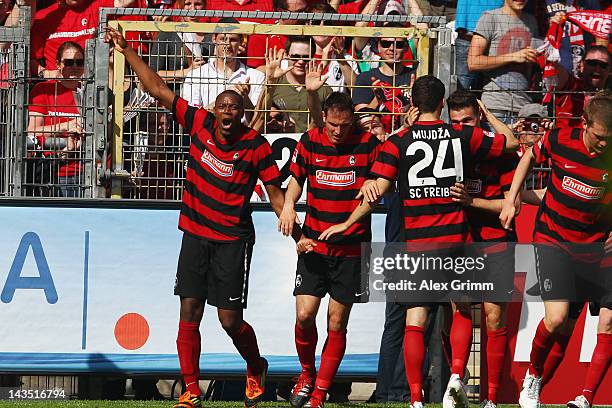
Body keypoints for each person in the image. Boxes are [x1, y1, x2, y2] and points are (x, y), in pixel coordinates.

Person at [104, 26, 302, 408]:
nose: (228, 113)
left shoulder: (255, 146)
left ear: (243, 115)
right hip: (195, 234)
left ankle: (255, 365)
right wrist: (128, 51)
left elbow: (278, 199)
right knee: (189, 311)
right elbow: (160, 90)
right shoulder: (198, 123)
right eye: (223, 107)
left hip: (232, 240)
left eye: (234, 109)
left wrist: (300, 237)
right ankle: (191, 390)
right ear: (214, 110)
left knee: (229, 321)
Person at [320, 75, 519, 408]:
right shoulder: (461, 134)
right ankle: (456, 374)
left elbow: (376, 190)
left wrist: (347, 221)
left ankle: (414, 398)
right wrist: (487, 116)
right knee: (461, 309)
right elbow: (510, 143)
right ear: (442, 104)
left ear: (413, 104)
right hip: (454, 237)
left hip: (416, 242)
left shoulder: (398, 144)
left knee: (415, 319)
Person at [499, 92, 612, 408]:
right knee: (557, 317)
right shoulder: (559, 139)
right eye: (599, 137)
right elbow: (528, 158)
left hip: (593, 249)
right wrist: (512, 198)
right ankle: (532, 378)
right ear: (584, 123)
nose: (603, 144)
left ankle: (576, 396)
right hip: (552, 240)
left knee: (569, 326)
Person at [277, 86, 381, 407]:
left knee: (337, 323)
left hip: (351, 250)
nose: (338, 131)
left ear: (353, 121)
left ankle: (320, 393)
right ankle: (307, 375)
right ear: (324, 118)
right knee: (305, 315)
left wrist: (372, 182)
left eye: (344, 125)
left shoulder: (368, 145)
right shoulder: (309, 141)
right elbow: (296, 181)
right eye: (333, 125)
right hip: (313, 245)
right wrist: (289, 205)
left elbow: (383, 180)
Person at [447, 90, 520, 408]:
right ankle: (455, 383)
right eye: (455, 122)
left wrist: (470, 201)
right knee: (461, 309)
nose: (461, 127)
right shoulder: (444, 150)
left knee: (493, 318)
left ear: (479, 117)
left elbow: (511, 204)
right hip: (459, 241)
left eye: (468, 120)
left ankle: (491, 398)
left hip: (495, 240)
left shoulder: (500, 151)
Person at [27, 41, 86, 197]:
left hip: (86, 172)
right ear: (58, 64)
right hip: (52, 171)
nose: (74, 66)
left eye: (79, 62)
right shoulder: (44, 89)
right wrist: (66, 126)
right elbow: (32, 132)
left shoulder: (90, 92)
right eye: (68, 62)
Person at [468, 0, 541, 123]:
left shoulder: (531, 21)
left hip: (525, 107)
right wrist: (513, 57)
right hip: (496, 107)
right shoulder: (490, 18)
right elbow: (473, 62)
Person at [182, 18, 265, 121]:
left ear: (241, 42)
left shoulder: (256, 77)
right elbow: (191, 118)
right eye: (223, 39)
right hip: (207, 134)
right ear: (214, 39)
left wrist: (245, 99)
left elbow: (257, 121)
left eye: (233, 40)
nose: (227, 45)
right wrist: (227, 96)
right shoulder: (196, 75)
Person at [266, 36, 332, 133]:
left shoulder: (324, 89)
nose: (300, 62)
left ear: (312, 58)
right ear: (286, 55)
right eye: (295, 57)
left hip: (311, 145)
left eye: (306, 58)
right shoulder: (274, 84)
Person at [352, 34, 415, 134]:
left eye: (398, 44)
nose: (391, 48)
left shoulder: (415, 76)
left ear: (406, 48)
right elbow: (361, 121)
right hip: (376, 139)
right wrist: (377, 99)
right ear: (378, 47)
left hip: (408, 135)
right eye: (386, 44)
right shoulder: (365, 78)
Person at [554, 45, 610, 128]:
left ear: (609, 70)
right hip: (565, 140)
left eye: (603, 65)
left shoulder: (609, 98)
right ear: (582, 65)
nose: (597, 69)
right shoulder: (571, 86)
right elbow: (556, 68)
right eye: (592, 63)